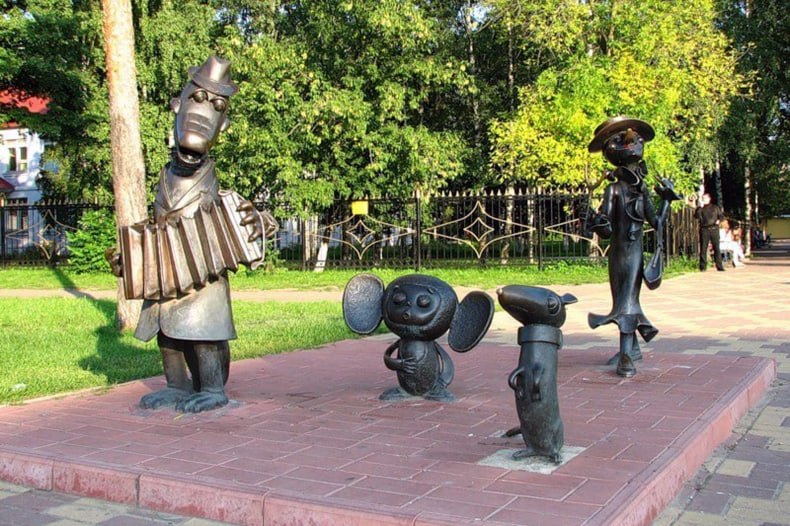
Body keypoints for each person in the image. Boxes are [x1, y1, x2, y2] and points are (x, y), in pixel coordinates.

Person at [586, 116, 679, 378]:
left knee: (627, 302)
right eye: (622, 139)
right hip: (618, 254)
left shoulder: (642, 190)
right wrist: (596, 220)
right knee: (623, 298)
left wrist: (667, 200)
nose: (631, 141)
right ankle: (634, 348)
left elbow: (656, 222)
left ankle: (626, 355)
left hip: (633, 254)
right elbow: (606, 231)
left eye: (635, 139)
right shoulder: (613, 190)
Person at [695, 193, 724, 271]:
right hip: (704, 229)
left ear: (709, 199)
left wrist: (718, 220)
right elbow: (696, 216)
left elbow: (721, 216)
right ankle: (703, 267)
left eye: (705, 198)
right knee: (703, 248)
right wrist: (700, 207)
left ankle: (719, 266)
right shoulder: (700, 209)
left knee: (716, 248)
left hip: (714, 229)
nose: (704, 200)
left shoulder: (715, 208)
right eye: (703, 198)